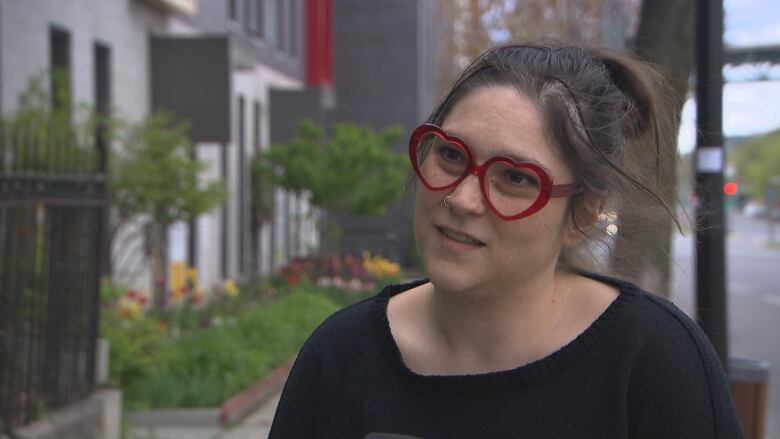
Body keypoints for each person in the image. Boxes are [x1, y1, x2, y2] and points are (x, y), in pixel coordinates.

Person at [269, 44, 744, 438]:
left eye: (516, 178)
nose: (462, 197)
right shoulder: (340, 356)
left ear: (582, 215)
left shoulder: (655, 362)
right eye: (451, 154)